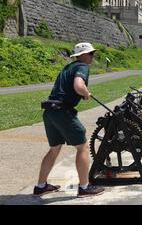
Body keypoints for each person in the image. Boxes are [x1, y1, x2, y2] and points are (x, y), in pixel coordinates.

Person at [34, 43, 104, 198]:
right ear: (84, 55)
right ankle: (85, 187)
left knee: (54, 148)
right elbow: (78, 86)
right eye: (91, 54)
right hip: (63, 112)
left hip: (50, 111)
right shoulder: (82, 67)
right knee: (83, 148)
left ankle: (41, 186)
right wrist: (86, 93)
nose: (92, 56)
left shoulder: (68, 67)